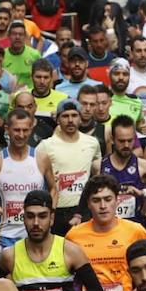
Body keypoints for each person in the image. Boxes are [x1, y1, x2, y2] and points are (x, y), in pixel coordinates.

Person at [0, 108, 51, 251]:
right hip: (4, 237)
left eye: (25, 130)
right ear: (7, 129)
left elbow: (54, 188)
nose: (21, 135)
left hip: (34, 235)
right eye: (16, 130)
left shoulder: (41, 158)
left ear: (31, 129)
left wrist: (49, 212)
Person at [37, 99, 102, 233]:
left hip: (84, 208)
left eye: (74, 115)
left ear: (80, 118)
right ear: (58, 120)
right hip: (57, 208)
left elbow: (97, 171)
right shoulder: (46, 145)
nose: (70, 120)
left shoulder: (92, 143)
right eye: (65, 116)